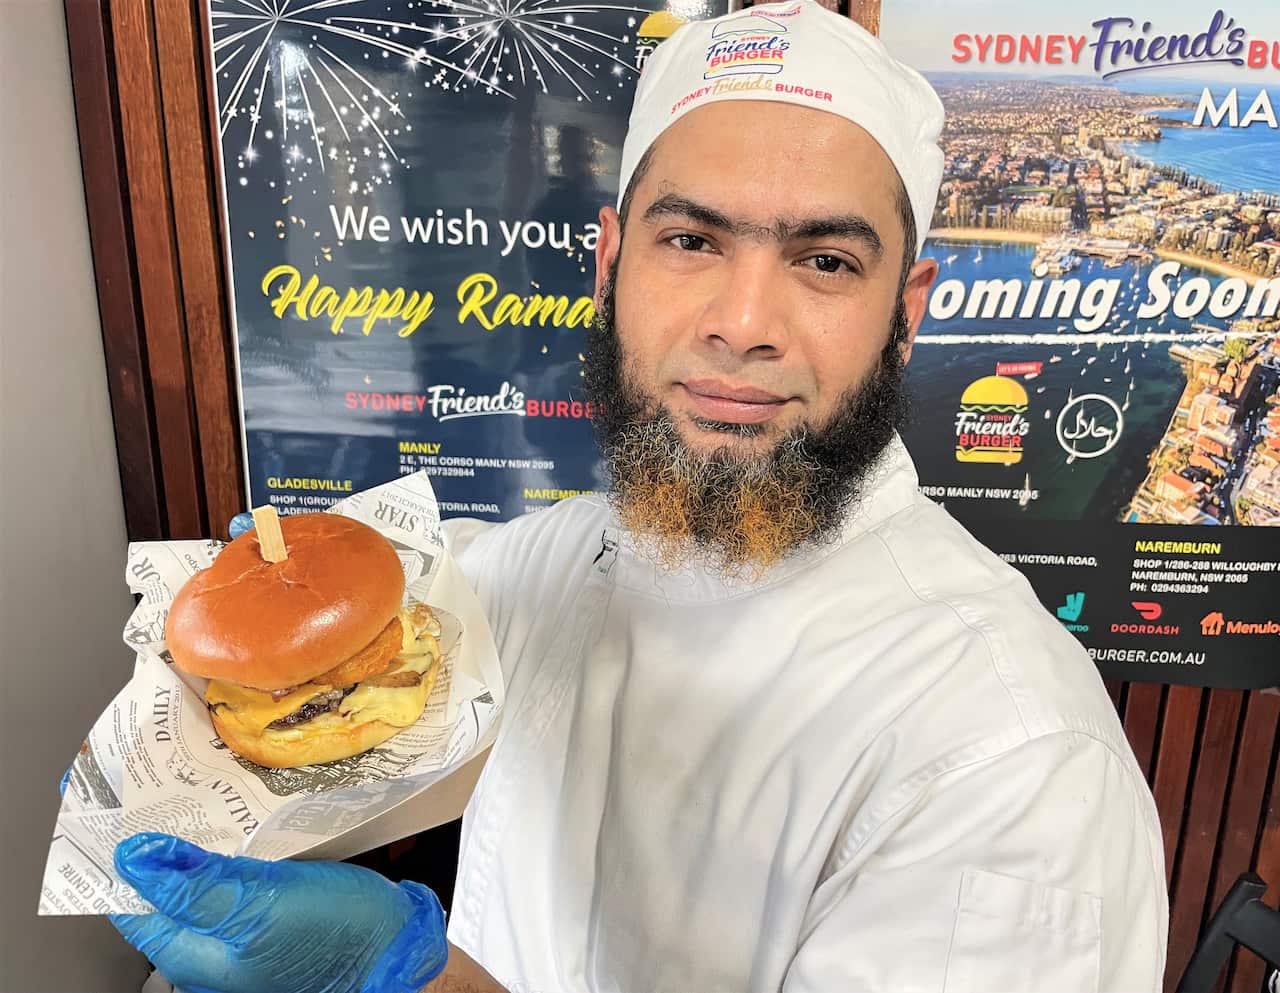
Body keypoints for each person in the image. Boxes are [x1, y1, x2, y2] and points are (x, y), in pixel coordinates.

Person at [113, 4, 1168, 991]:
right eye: (692, 241)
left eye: (826, 260)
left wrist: (396, 977)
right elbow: (371, 667)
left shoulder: (1009, 758)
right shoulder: (554, 565)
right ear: (610, 263)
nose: (742, 322)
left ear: (904, 315)